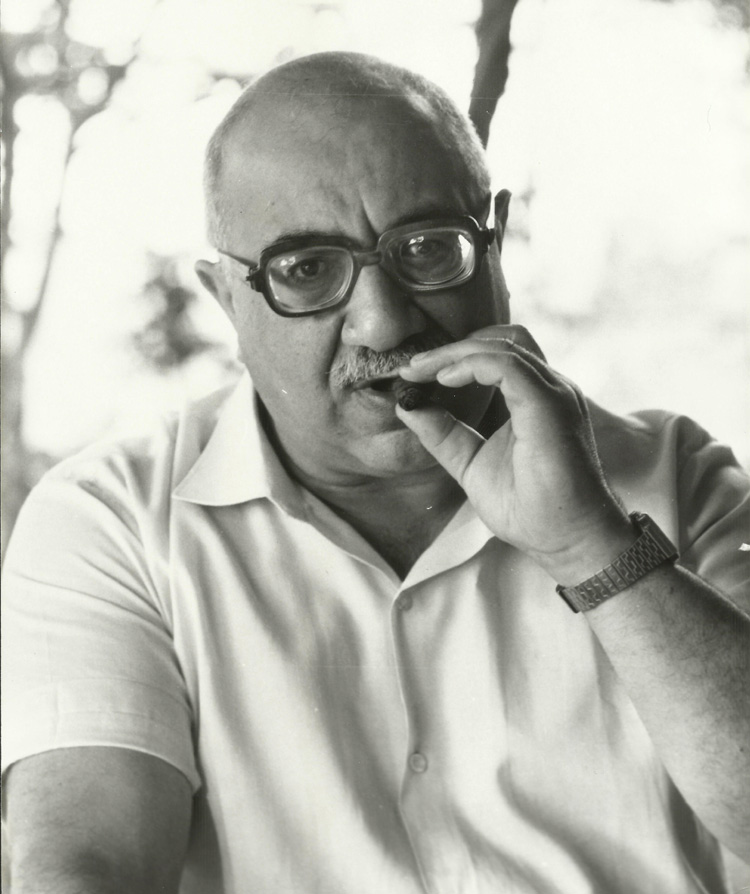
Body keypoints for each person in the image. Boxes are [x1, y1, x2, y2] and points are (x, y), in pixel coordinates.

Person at [2, 51, 749, 894]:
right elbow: (87, 867)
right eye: (306, 270)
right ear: (227, 301)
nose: (384, 322)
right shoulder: (111, 523)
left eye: (427, 249)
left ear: (494, 244)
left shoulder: (676, 476)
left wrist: (593, 549)